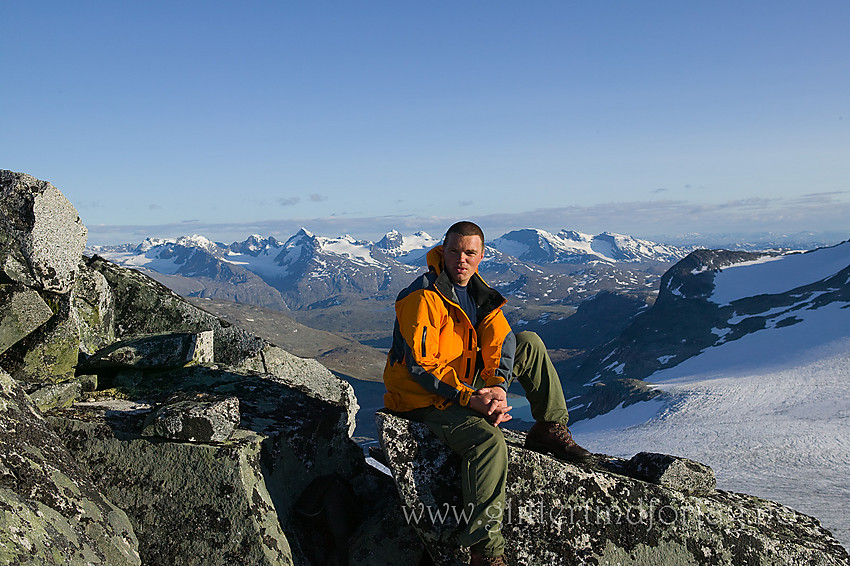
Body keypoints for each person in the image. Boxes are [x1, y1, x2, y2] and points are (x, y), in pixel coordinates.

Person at [382, 220, 591, 566]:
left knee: (530, 344)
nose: (461, 259)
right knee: (488, 442)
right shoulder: (422, 296)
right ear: (442, 252)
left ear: (481, 256)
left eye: (469, 252)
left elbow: (502, 340)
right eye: (454, 251)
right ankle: (485, 551)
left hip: (463, 384)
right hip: (423, 398)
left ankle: (549, 427)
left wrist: (495, 386)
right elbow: (421, 368)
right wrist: (470, 398)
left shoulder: (479, 292)